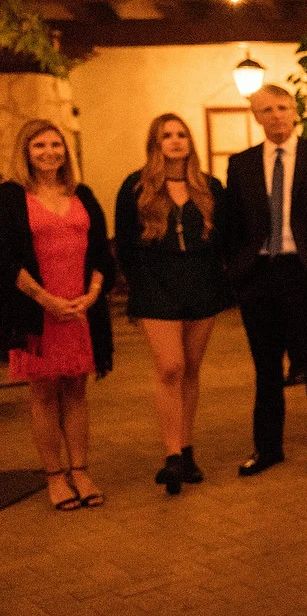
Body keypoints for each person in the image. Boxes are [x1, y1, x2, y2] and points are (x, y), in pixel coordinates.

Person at [224, 85, 307, 476]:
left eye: (282, 107)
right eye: (267, 110)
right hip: (259, 274)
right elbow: (232, 225)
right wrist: (239, 269)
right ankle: (268, 449)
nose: (276, 115)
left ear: (295, 111)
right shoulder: (242, 164)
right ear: (256, 117)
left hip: (306, 273)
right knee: (266, 369)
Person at [114, 114, 232, 495]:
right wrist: (138, 283)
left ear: (190, 142)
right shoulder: (135, 187)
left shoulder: (209, 187)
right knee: (170, 367)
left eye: (181, 134)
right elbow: (125, 244)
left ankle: (186, 448)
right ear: (156, 143)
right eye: (167, 135)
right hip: (156, 285)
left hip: (202, 284)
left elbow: (224, 238)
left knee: (191, 369)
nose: (175, 141)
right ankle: (172, 456)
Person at [0, 120, 114, 510]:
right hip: (36, 310)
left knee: (77, 391)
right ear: (25, 152)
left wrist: (91, 295)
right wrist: (44, 299)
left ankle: (80, 471)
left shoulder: (82, 194)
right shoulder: (10, 197)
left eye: (56, 144)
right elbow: (5, 259)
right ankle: (54, 477)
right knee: (45, 394)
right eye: (39, 146)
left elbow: (101, 252)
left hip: (79, 309)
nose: (50, 152)